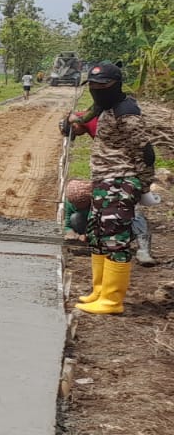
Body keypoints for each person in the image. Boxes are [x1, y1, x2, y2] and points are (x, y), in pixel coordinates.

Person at [70, 64, 160, 314]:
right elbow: (85, 116)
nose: (96, 90)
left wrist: (142, 186)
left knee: (115, 240)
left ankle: (112, 300)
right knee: (98, 236)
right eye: (93, 85)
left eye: (102, 86)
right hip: (102, 179)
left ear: (116, 85)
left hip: (121, 181)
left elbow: (145, 152)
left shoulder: (126, 112)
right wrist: (73, 122)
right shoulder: (104, 106)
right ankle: (99, 290)